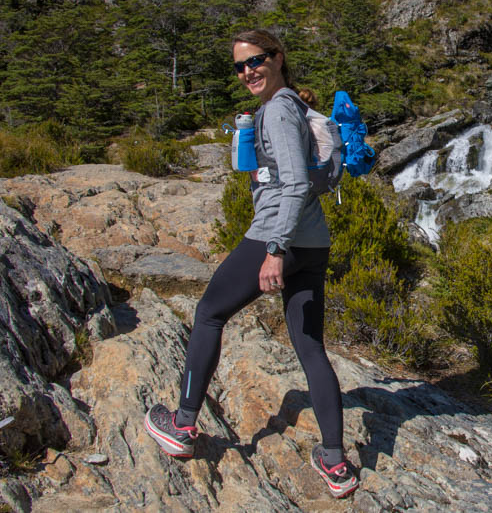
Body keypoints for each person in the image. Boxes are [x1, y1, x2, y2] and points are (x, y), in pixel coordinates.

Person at [144, 29, 359, 499]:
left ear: (278, 58)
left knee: (208, 313)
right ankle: (335, 461)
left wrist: (275, 249)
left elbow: (297, 183)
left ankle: (181, 426)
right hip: (314, 242)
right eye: (240, 66)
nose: (247, 72)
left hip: (274, 236)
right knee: (309, 347)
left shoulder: (280, 109)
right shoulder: (297, 107)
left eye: (255, 61)